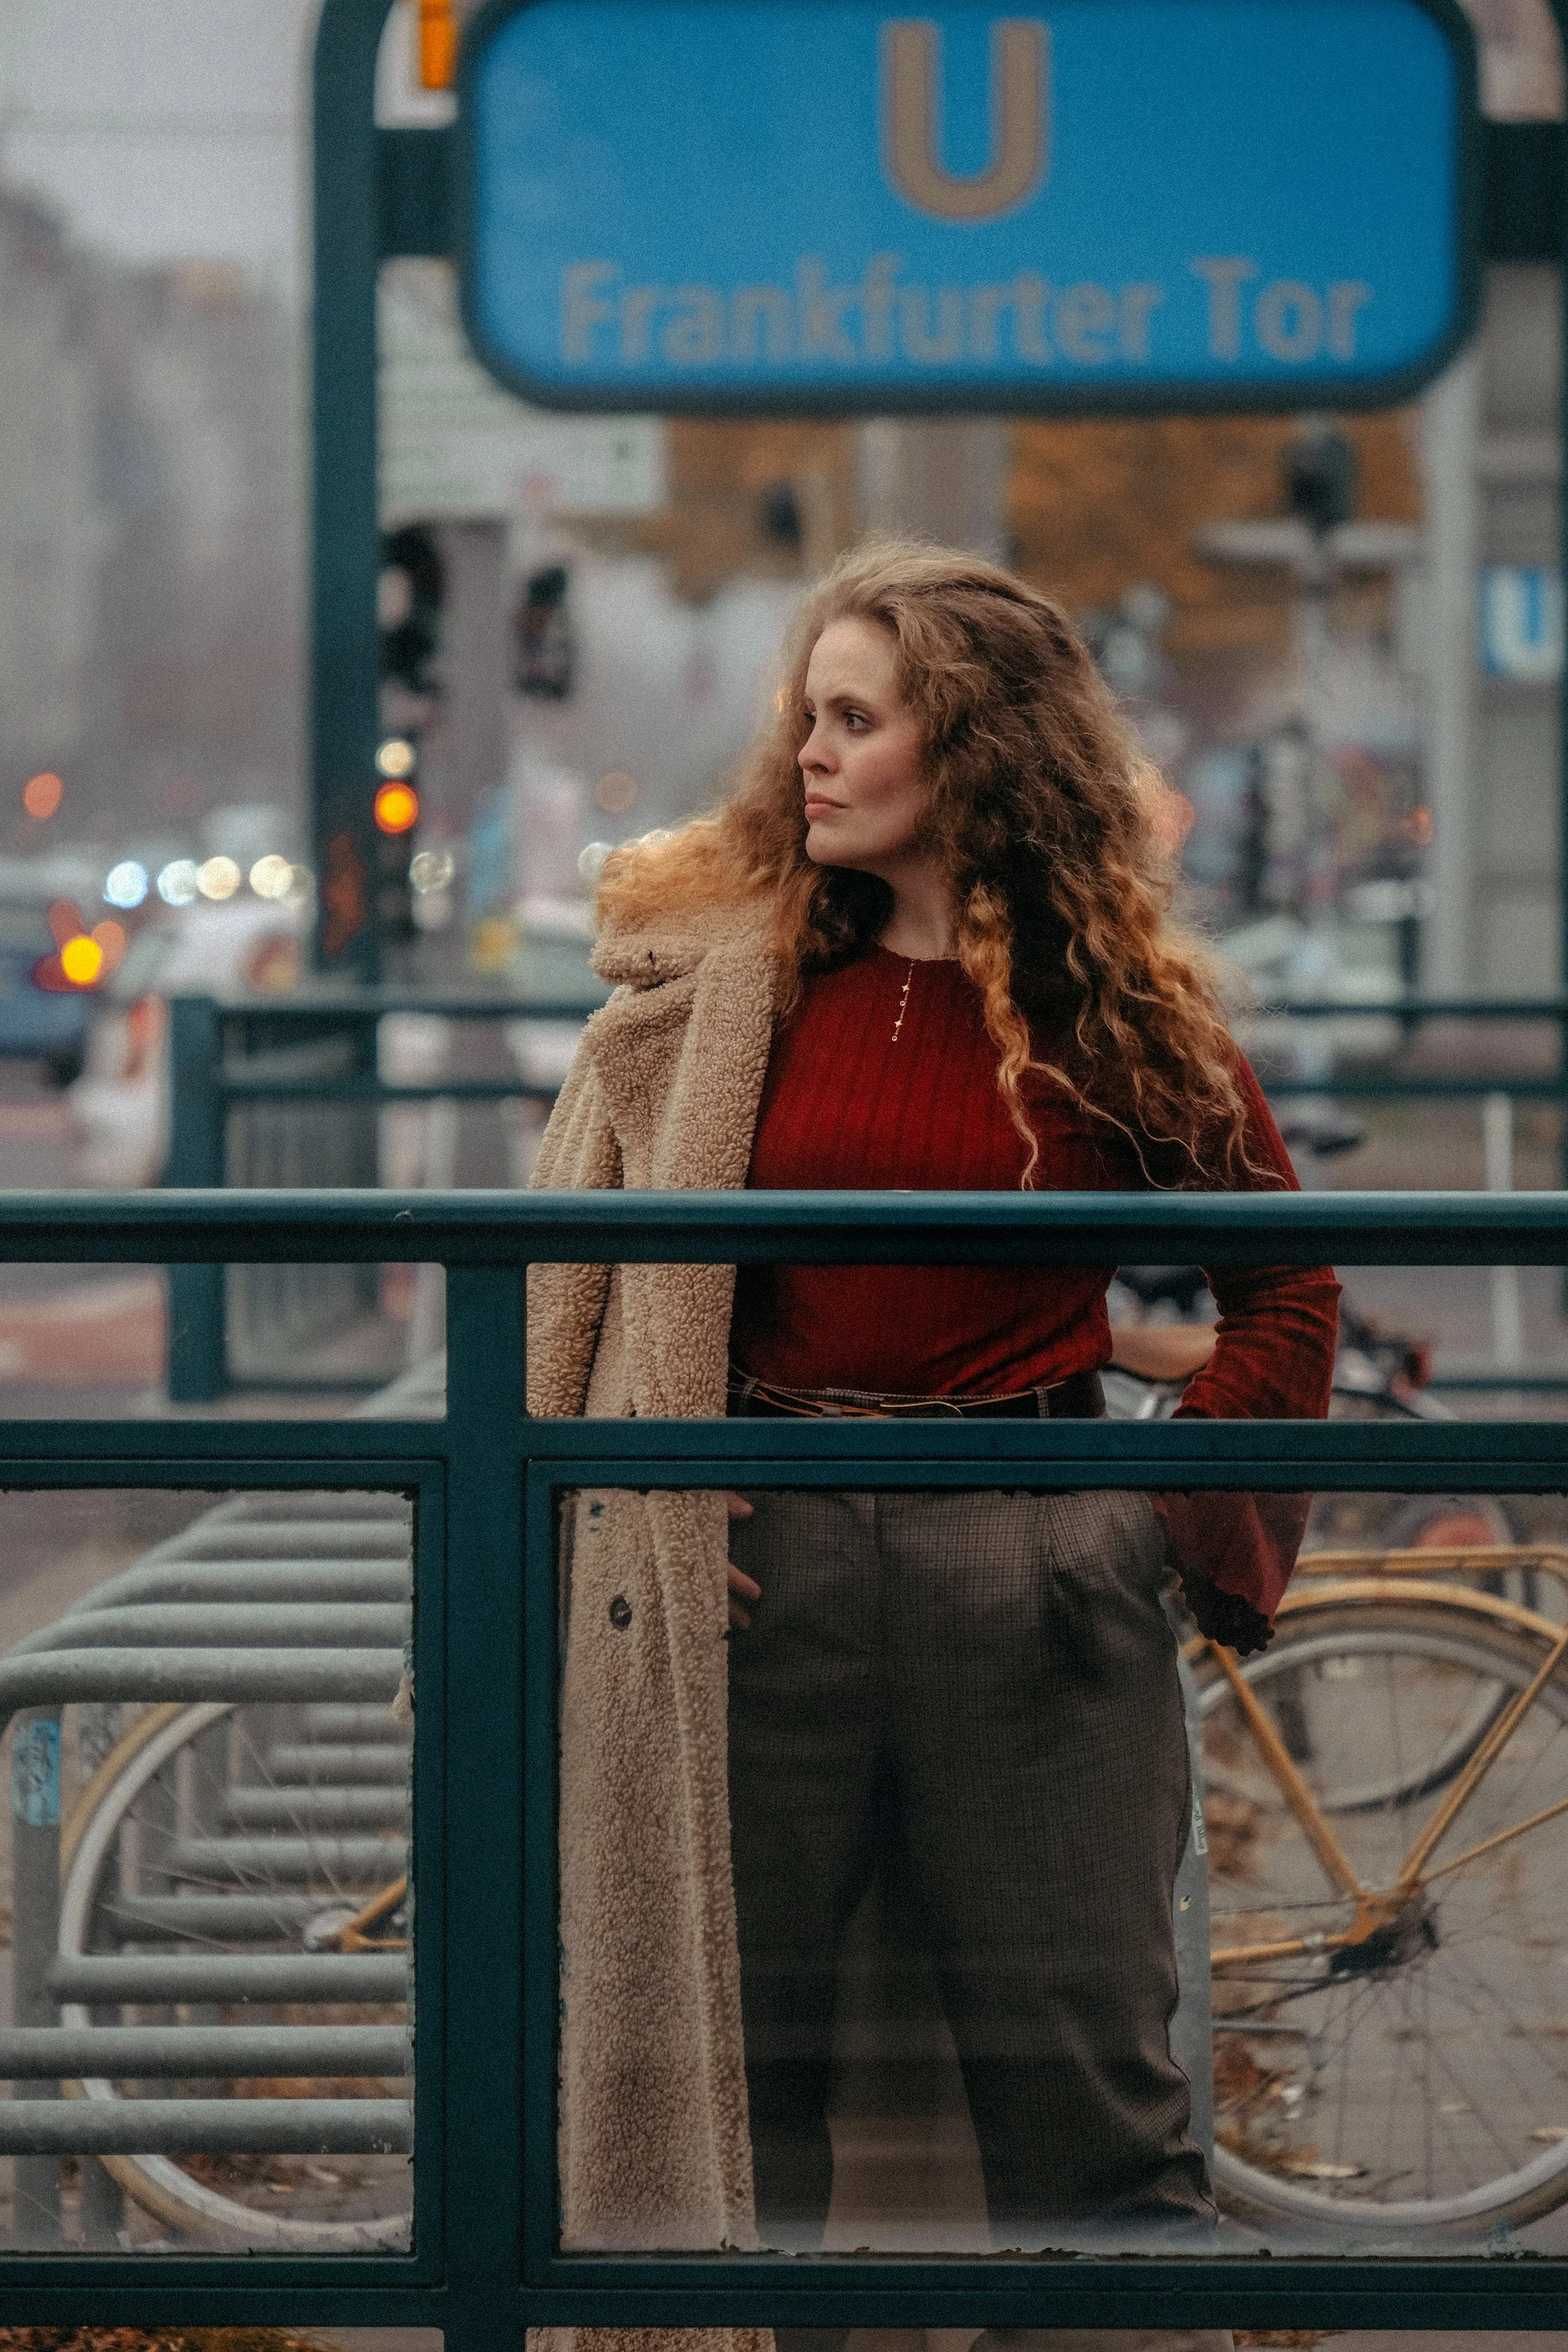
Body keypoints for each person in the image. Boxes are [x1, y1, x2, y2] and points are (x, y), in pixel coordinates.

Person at [527, 542, 1340, 2352]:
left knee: (1089, 2104)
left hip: (1030, 1560)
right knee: (745, 2103)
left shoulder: (1112, 1010)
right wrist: (674, 1468)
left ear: (967, 749)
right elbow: (619, 1279)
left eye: (853, 718)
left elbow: (1284, 1291)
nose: (808, 756)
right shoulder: (729, 993)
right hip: (763, 1568)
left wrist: (1149, 1522)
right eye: (803, 718)